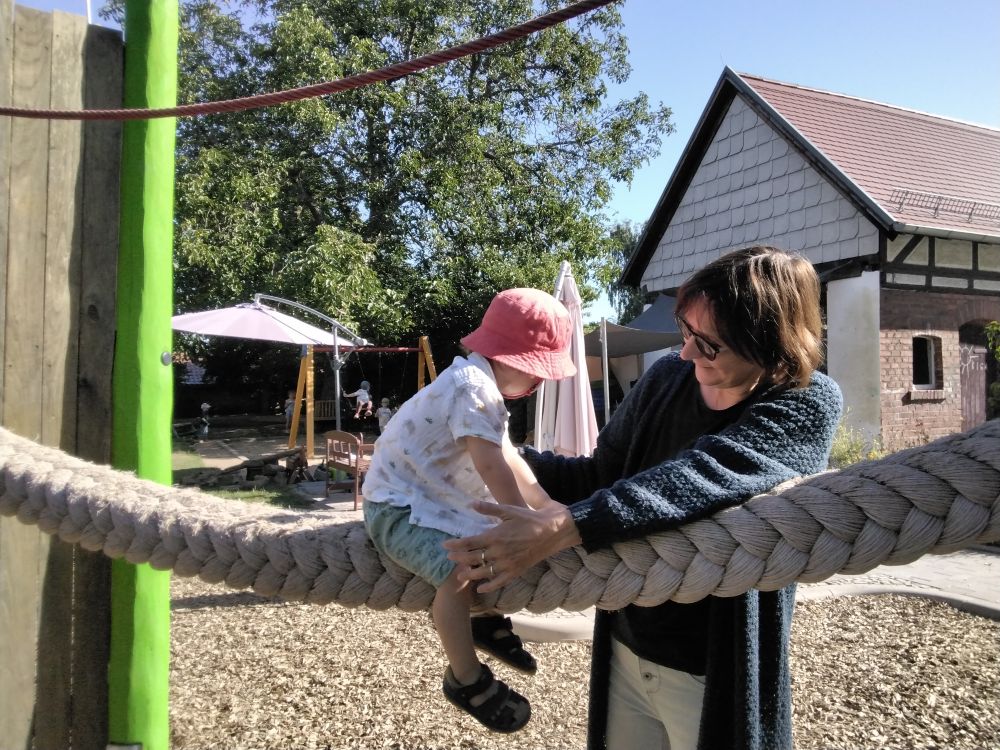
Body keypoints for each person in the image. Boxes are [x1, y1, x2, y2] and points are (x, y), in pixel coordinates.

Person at [444, 246, 844, 750]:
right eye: (685, 332)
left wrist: (563, 528)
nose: (686, 354)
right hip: (627, 648)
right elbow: (600, 475)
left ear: (770, 344)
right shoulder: (666, 379)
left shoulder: (807, 401)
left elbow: (703, 475)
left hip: (709, 666)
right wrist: (479, 455)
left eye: (710, 345)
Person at [362, 288, 577, 733]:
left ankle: (484, 621)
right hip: (396, 507)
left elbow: (509, 456)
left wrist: (544, 506)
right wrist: (524, 522)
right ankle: (464, 677)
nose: (539, 384)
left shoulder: (480, 385)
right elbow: (491, 464)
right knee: (458, 575)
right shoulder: (472, 389)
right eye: (537, 373)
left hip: (431, 499)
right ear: (510, 357)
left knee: (488, 543)